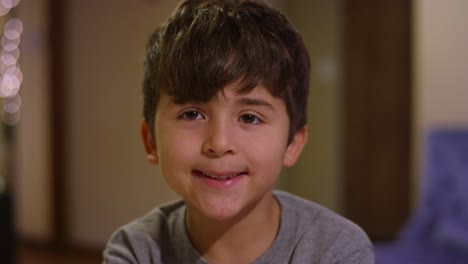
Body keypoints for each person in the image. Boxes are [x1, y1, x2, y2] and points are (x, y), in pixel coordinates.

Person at [102, 0, 374, 263]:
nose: (219, 143)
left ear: (292, 144)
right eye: (192, 114)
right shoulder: (136, 251)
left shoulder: (337, 249)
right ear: (150, 141)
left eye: (250, 118)